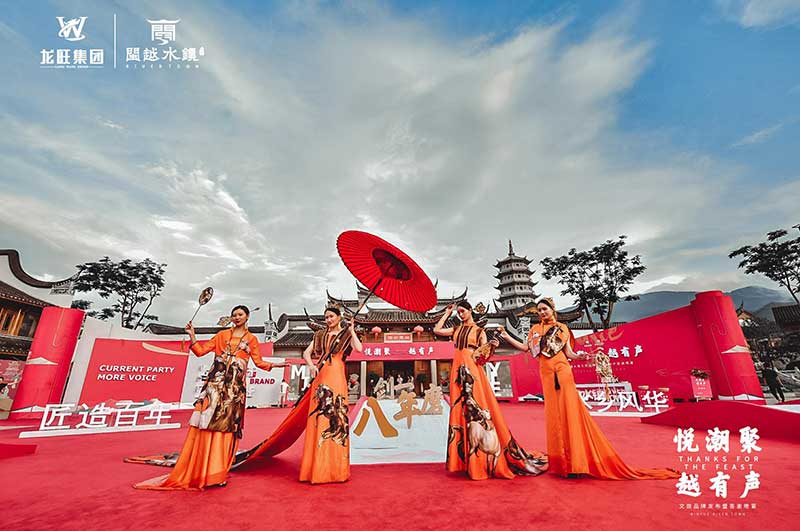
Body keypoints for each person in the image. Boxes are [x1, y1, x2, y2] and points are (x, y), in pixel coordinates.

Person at [499, 298, 678, 480]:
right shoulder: (535, 330)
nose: (542, 312)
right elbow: (526, 348)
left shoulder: (562, 328)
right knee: (554, 416)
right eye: (539, 310)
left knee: (570, 413)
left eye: (545, 309)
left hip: (562, 372)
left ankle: (576, 462)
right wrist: (506, 337)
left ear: (552, 309)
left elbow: (569, 353)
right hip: (546, 374)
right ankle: (561, 462)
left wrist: (580, 357)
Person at [134, 305, 287, 490]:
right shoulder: (221, 335)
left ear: (247, 316)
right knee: (206, 421)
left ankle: (217, 471)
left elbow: (259, 362)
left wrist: (276, 365)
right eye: (234, 314)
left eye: (240, 314)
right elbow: (200, 351)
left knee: (226, 426)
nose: (237, 317)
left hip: (234, 389)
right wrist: (192, 335)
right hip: (215, 383)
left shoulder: (252, 339)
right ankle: (202, 466)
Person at [434, 300, 548, 480]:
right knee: (460, 408)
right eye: (459, 312)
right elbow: (437, 330)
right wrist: (447, 313)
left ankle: (480, 460)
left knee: (476, 405)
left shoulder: (480, 331)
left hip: (473, 369)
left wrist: (492, 347)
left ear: (470, 311)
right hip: (457, 369)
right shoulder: (456, 329)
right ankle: (465, 460)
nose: (461, 314)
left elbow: (484, 356)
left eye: (463, 311)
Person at [298, 305, 362, 483]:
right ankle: (317, 467)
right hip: (321, 374)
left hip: (337, 375)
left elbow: (359, 348)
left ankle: (335, 469)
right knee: (320, 415)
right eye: (326, 317)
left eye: (331, 316)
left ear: (339, 317)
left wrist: (351, 329)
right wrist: (311, 365)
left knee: (336, 414)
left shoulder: (345, 334)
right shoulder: (320, 334)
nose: (328, 320)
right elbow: (306, 353)